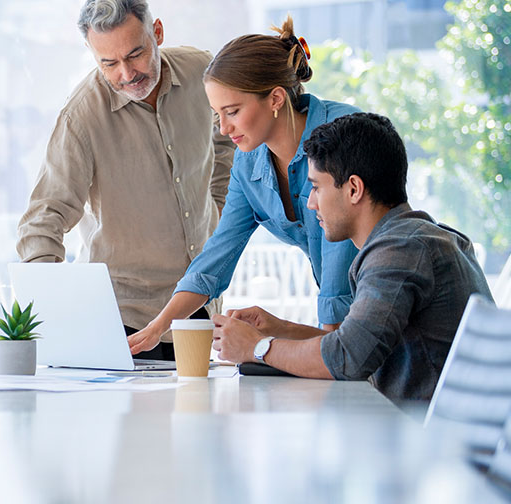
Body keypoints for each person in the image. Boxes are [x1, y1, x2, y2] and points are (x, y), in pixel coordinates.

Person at [16, 0, 236, 360]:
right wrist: (56, 316)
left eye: (135, 54)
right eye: (108, 63)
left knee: (199, 417)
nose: (126, 74)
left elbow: (226, 138)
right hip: (124, 321)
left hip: (198, 308)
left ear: (158, 33)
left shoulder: (203, 70)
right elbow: (43, 220)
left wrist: (216, 206)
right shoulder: (81, 117)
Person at [212, 112, 495, 404]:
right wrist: (279, 330)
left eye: (317, 187)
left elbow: (348, 359)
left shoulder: (399, 250)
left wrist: (258, 347)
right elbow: (356, 344)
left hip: (430, 441)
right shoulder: (416, 237)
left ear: (354, 189)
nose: (310, 203)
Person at [129, 17, 360, 356]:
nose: (224, 129)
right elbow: (216, 257)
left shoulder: (342, 136)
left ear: (276, 98)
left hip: (386, 307)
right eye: (217, 115)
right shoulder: (249, 162)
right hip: (349, 328)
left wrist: (284, 348)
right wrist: (157, 328)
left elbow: (339, 276)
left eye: (233, 111)